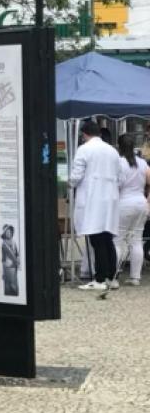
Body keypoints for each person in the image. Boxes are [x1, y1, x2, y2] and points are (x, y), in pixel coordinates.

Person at [72, 120, 122, 291]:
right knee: (108, 238)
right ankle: (111, 277)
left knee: (97, 240)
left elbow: (76, 175)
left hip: (92, 198)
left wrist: (70, 184)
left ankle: (100, 278)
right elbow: (120, 177)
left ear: (84, 134)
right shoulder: (112, 151)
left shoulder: (84, 149)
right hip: (110, 198)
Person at [115, 133, 150, 286]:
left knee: (117, 240)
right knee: (136, 240)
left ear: (119, 146)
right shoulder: (143, 163)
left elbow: (117, 185)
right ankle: (135, 277)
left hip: (123, 202)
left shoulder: (118, 163)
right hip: (140, 202)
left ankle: (114, 276)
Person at [0, 225, 20, 296]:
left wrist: (18, 260)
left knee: (14, 284)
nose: (9, 233)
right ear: (5, 233)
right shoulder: (4, 244)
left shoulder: (14, 242)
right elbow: (3, 259)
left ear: (12, 233)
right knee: (8, 285)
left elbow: (17, 253)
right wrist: (3, 272)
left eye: (10, 232)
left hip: (14, 267)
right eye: (7, 232)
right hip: (7, 268)